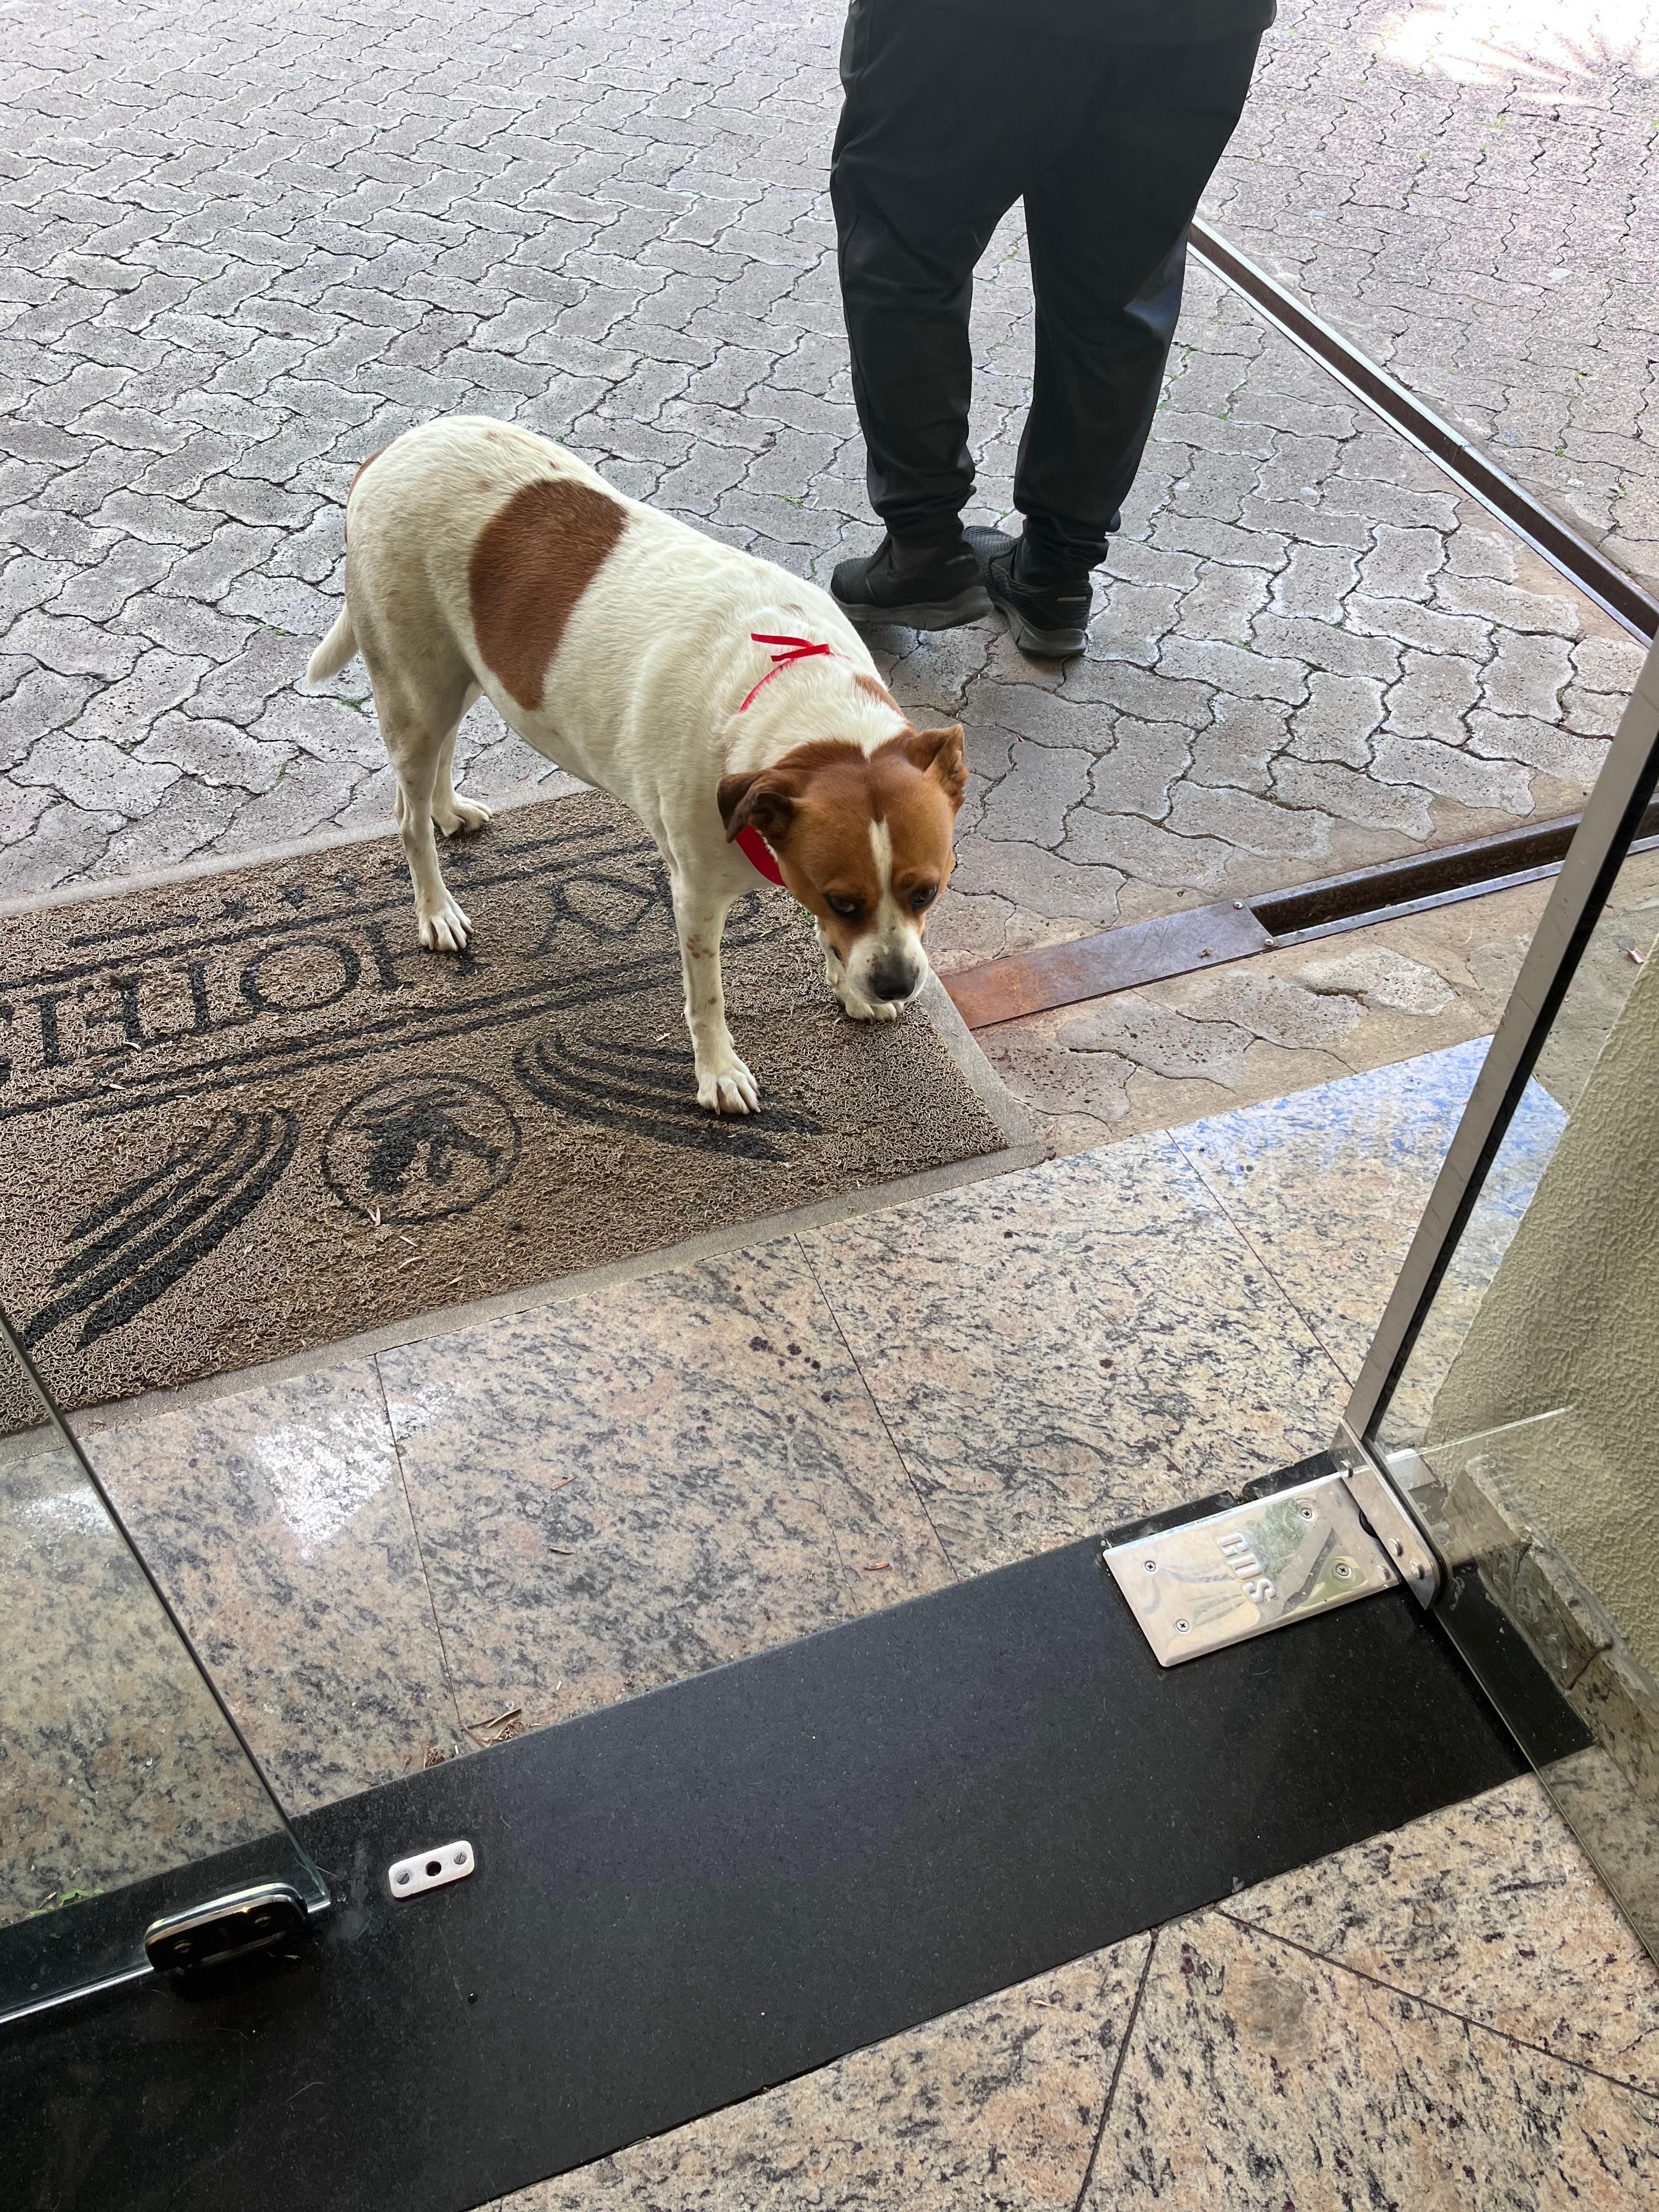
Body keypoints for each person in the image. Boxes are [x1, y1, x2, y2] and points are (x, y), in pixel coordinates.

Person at [828, 0, 1275, 658]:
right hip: (1198, 26)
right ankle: (1056, 575)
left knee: (904, 257)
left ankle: (923, 550)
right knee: (1116, 298)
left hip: (967, 24)